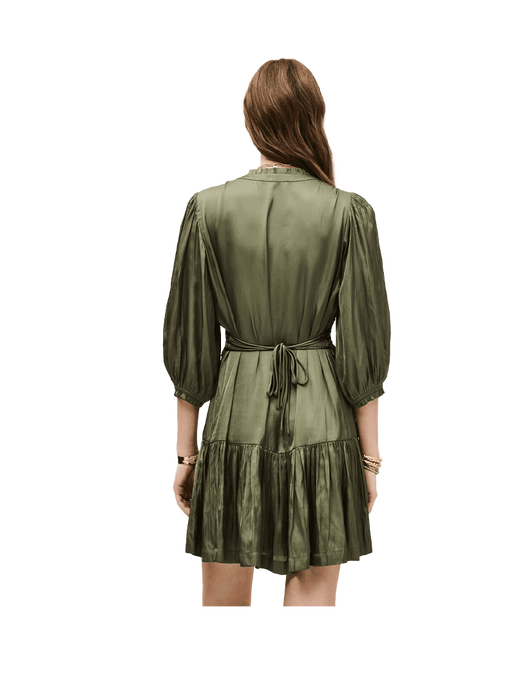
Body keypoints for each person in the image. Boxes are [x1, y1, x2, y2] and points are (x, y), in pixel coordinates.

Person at [164, 55, 392, 609]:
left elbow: (190, 346)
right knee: (314, 592)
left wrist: (185, 455)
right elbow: (364, 351)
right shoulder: (348, 211)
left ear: (250, 122)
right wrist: (371, 462)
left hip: (234, 418)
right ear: (314, 118)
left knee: (222, 591)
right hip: (324, 423)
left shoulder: (206, 207)